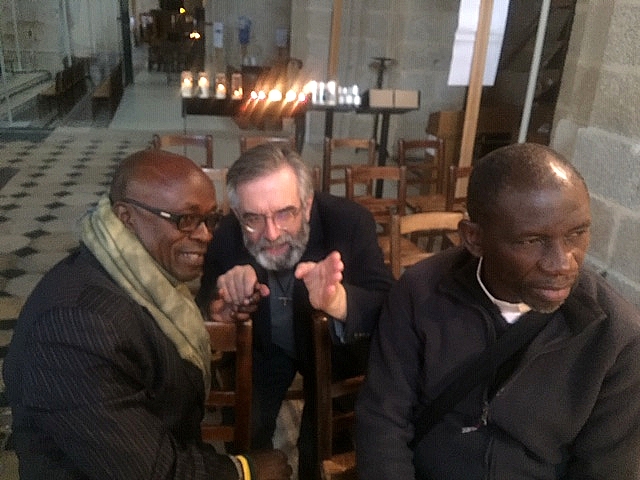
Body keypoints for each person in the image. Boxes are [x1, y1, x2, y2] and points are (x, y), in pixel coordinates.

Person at [356, 143, 640, 480]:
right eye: (532, 241)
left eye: (576, 234)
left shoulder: (615, 336)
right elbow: (383, 421)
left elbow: (606, 469)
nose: (563, 263)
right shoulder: (419, 292)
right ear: (474, 238)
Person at [3, 149, 292, 480]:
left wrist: (211, 323)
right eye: (185, 219)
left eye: (210, 219)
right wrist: (246, 471)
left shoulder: (138, 279)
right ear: (126, 217)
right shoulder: (75, 325)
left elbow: (151, 353)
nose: (204, 235)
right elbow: (154, 472)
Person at [196, 143, 394, 479]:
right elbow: (204, 302)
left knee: (319, 450)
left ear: (308, 203)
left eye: (285, 213)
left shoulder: (348, 222)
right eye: (253, 219)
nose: (270, 233)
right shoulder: (229, 232)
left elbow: (387, 307)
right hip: (264, 348)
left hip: (333, 353)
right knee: (246, 435)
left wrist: (338, 301)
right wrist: (223, 305)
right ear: (238, 212)